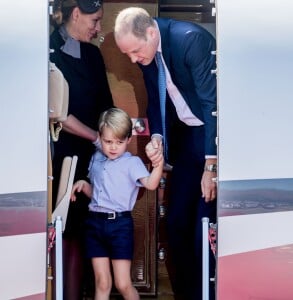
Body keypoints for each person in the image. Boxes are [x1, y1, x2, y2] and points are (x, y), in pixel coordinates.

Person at [114, 7, 217, 300]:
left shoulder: (190, 40)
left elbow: (213, 106)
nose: (134, 60)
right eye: (127, 55)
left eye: (135, 51)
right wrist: (157, 137)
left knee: (202, 229)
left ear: (150, 32)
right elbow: (155, 101)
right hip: (186, 142)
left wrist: (212, 166)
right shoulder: (147, 51)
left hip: (212, 141)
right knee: (175, 225)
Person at [49, 0, 114, 299]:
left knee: (88, 232)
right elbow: (56, 113)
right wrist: (96, 139)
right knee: (66, 231)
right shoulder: (47, 47)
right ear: (76, 14)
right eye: (95, 20)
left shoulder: (92, 54)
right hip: (59, 156)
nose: (99, 28)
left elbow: (106, 108)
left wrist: (113, 144)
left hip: (93, 156)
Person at [70, 107, 164, 300]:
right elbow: (97, 194)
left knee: (122, 284)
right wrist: (83, 185)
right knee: (102, 283)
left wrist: (159, 164)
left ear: (129, 140)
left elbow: (151, 184)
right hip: (94, 224)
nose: (113, 147)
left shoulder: (132, 163)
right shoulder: (96, 158)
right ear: (100, 137)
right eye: (108, 141)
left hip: (120, 226)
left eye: (119, 142)